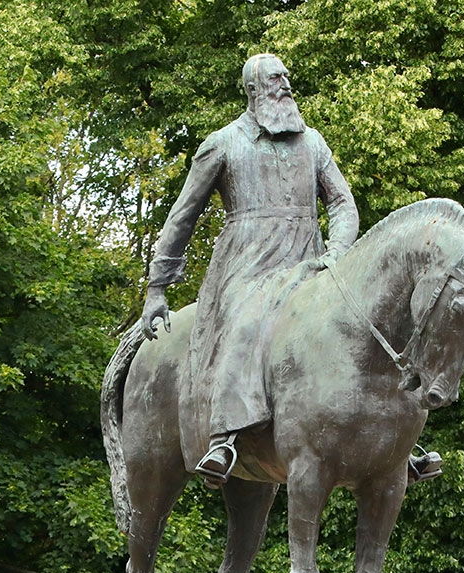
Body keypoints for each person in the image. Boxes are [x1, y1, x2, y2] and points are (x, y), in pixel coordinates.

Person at [140, 53, 358, 487]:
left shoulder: (313, 143)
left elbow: (341, 203)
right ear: (253, 88)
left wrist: (338, 251)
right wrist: (157, 287)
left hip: (308, 265)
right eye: (276, 78)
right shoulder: (222, 143)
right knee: (246, 325)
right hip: (247, 269)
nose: (286, 84)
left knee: (358, 321)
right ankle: (225, 436)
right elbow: (182, 217)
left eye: (287, 77)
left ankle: (391, 445)